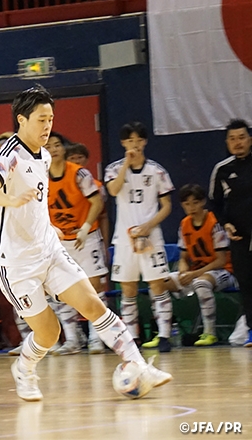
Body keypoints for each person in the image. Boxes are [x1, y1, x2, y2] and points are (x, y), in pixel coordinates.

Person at [0, 85, 171, 401]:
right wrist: (10, 200)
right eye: (41, 119)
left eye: (51, 119)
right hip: (16, 263)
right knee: (49, 333)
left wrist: (47, 228)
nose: (47, 127)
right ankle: (24, 369)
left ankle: (137, 364)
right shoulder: (8, 155)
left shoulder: (41, 154)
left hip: (49, 251)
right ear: (22, 119)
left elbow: (38, 204)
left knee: (93, 305)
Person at [104, 122, 175, 353]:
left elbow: (166, 206)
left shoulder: (157, 171)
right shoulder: (114, 169)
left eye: (138, 140)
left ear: (144, 142)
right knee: (128, 288)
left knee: (157, 285)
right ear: (123, 143)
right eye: (129, 140)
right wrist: (126, 162)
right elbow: (113, 191)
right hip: (124, 238)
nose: (134, 144)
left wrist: (147, 226)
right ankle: (132, 338)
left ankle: (164, 335)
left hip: (150, 235)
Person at [147, 184, 237, 347]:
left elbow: (221, 260)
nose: (191, 207)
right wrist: (183, 270)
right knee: (157, 283)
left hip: (222, 272)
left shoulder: (214, 222)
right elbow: (183, 257)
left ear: (203, 202)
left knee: (201, 283)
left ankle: (210, 333)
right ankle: (162, 334)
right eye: (187, 204)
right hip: (196, 271)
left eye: (195, 202)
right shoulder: (185, 224)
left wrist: (193, 274)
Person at [45, 132, 108, 355]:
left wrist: (85, 226)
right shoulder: (40, 178)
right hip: (60, 242)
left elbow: (97, 201)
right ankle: (71, 339)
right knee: (61, 290)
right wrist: (50, 228)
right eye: (48, 146)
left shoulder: (79, 174)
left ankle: (96, 337)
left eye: (57, 145)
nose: (53, 149)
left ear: (64, 148)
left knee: (94, 288)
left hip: (86, 237)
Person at [209, 118, 252, 347]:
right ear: (227, 142)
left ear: (250, 139)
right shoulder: (223, 169)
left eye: (242, 137)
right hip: (239, 238)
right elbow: (214, 203)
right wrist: (225, 224)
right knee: (246, 284)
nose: (238, 143)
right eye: (233, 139)